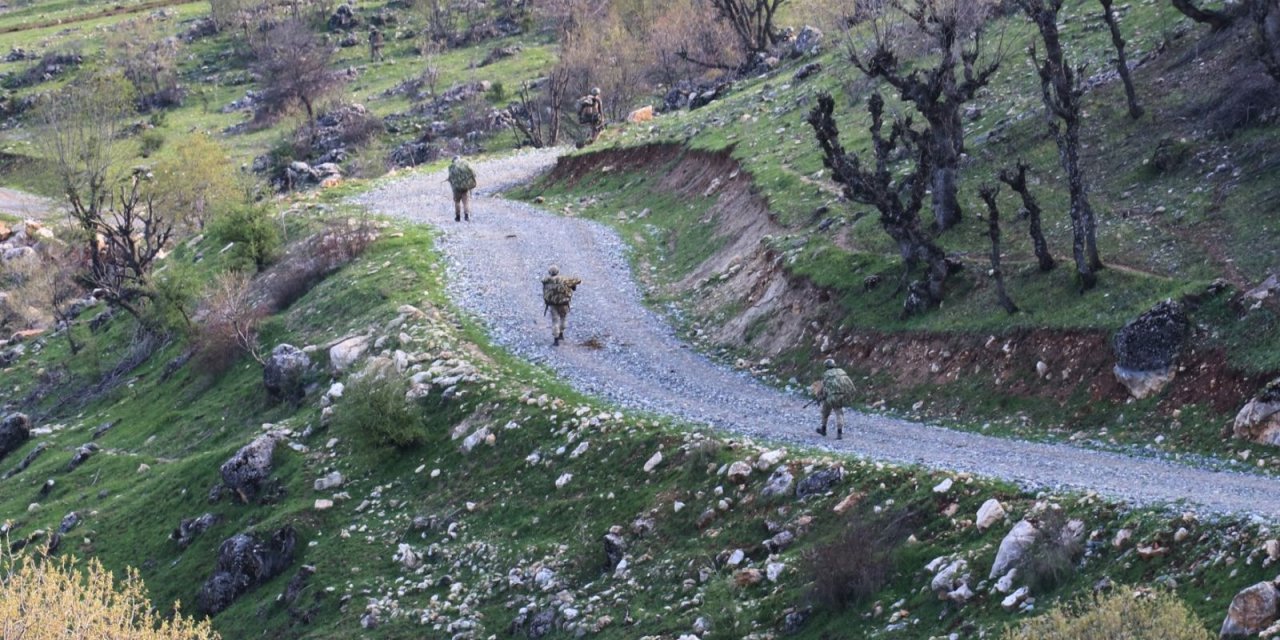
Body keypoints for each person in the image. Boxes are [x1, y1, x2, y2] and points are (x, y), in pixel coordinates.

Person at [814, 358, 855, 440]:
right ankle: (839, 433)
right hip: (840, 396)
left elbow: (823, 387)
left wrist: (820, 397)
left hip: (830, 397)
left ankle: (823, 429)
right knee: (839, 414)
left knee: (825, 412)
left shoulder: (826, 374)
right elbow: (850, 385)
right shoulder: (841, 372)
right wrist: (850, 395)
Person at [541, 265, 581, 346]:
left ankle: (555, 340)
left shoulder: (546, 280)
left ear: (549, 272)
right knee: (563, 318)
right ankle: (561, 334)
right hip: (563, 303)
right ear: (558, 272)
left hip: (552, 304)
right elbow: (577, 281)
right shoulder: (564, 279)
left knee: (555, 321)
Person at [447, 156, 476, 222]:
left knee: (457, 202)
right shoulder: (464, 165)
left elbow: (450, 178)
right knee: (466, 202)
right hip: (465, 187)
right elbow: (472, 173)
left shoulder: (452, 167)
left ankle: (458, 217)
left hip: (456, 189)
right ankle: (467, 216)